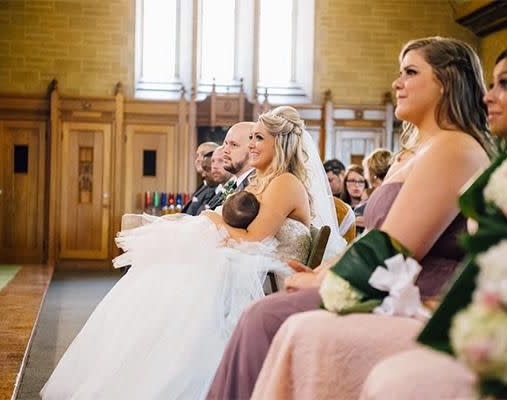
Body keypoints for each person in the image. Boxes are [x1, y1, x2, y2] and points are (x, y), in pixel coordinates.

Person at [208, 36, 492, 400]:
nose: (396, 83)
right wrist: (320, 273)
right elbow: (374, 236)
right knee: (261, 314)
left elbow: (395, 246)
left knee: (263, 318)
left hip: (414, 293)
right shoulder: (415, 152)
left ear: (446, 81)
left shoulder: (455, 147)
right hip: (383, 280)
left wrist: (327, 281)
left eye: (410, 72)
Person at [40, 106, 345, 400]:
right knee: (168, 273)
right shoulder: (263, 181)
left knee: (186, 280)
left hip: (271, 271)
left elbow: (252, 238)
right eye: (251, 137)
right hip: (255, 264)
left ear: (280, 143)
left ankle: (172, 369)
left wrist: (211, 219)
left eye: (258, 138)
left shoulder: (284, 183)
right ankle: (147, 364)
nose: (251, 145)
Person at [360, 41, 507, 400]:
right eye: (491, 84)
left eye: (504, 84)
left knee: (394, 381)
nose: (487, 97)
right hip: (474, 310)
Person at [354, 149, 393, 234]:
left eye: (366, 171)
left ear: (373, 174)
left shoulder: (381, 194)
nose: (365, 176)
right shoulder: (393, 189)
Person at [183, 141, 219, 214]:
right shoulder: (204, 185)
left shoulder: (216, 187)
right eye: (197, 155)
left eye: (203, 154)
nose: (198, 159)